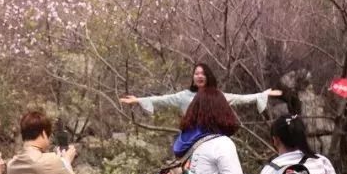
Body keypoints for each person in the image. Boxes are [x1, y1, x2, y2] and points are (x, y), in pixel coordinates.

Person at [119, 62, 282, 116]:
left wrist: (263, 94)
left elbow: (240, 98)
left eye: (203, 73)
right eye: (196, 73)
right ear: (193, 77)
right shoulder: (183, 96)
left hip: (212, 139)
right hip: (190, 141)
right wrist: (138, 100)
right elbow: (162, 99)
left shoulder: (217, 95)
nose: (199, 76)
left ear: (208, 76)